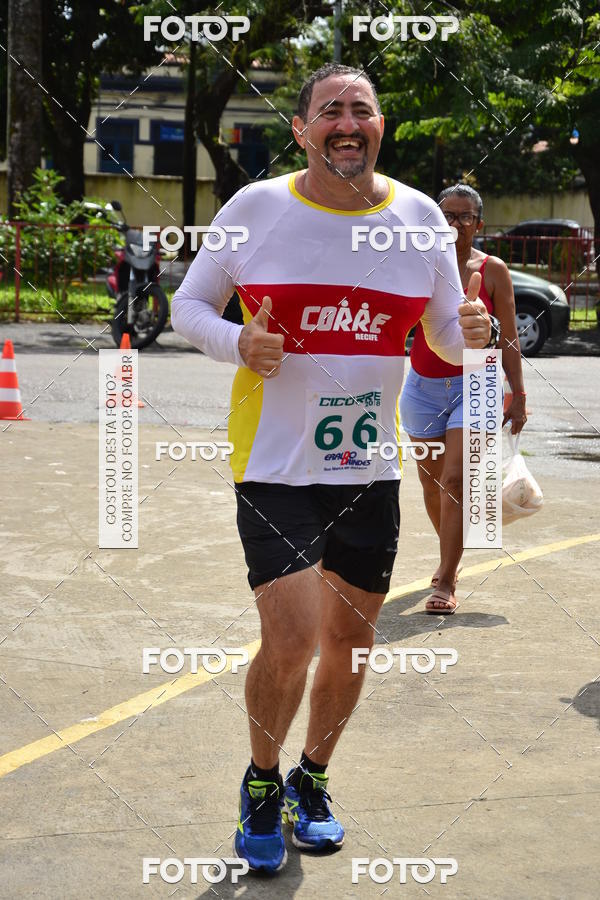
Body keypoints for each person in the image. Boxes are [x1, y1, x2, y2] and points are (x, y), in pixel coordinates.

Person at [171, 64, 492, 874]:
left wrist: (474, 332)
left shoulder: (420, 219)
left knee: (350, 642)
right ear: (302, 129)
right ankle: (262, 782)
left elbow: (446, 340)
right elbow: (188, 308)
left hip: (367, 468)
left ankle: (313, 779)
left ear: (380, 126)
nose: (346, 123)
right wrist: (238, 342)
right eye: (330, 111)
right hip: (275, 464)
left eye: (361, 110)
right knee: (292, 640)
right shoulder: (258, 209)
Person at [400, 183, 526, 615]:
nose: (453, 223)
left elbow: (508, 339)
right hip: (421, 384)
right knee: (432, 484)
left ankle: (448, 577)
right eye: (445, 215)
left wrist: (519, 395)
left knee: (456, 481)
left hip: (479, 382)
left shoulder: (492, 271)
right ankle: (448, 553)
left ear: (479, 224)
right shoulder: (417, 263)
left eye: (463, 217)